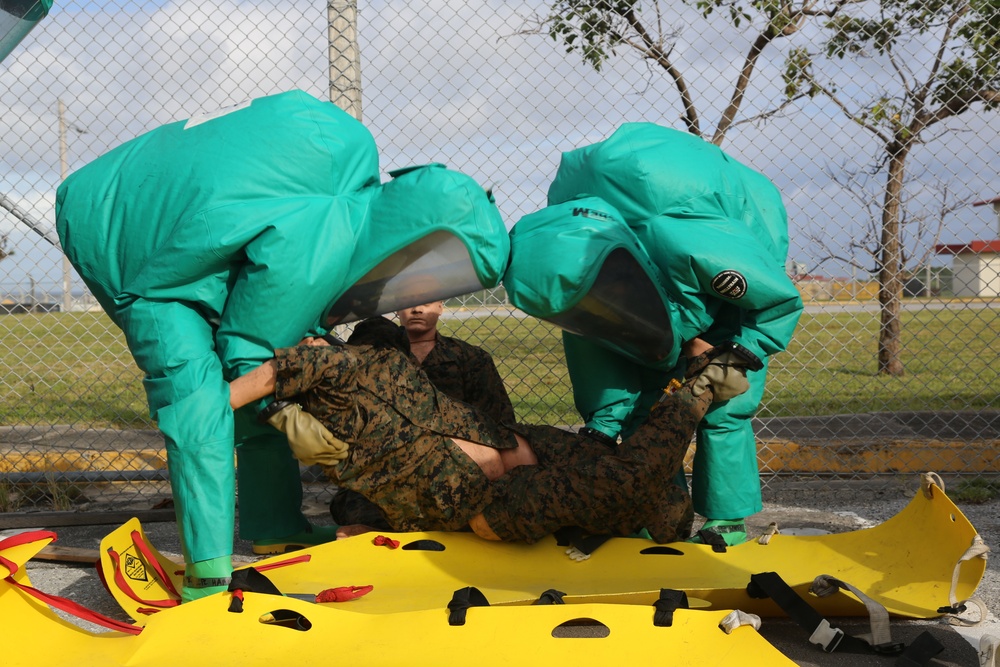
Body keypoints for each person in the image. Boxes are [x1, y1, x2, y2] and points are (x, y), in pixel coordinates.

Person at [55, 90, 510, 601]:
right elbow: (251, 356)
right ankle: (207, 579)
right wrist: (304, 425)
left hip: (160, 219)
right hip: (128, 243)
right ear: (415, 234)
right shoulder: (319, 244)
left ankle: (275, 525)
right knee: (200, 402)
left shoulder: (340, 197)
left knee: (261, 396)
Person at [504, 123, 804, 546]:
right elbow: (597, 352)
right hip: (651, 280)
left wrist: (741, 353)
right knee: (647, 408)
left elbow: (776, 301)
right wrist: (604, 423)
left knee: (722, 404)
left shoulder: (694, 245)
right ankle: (663, 513)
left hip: (722, 277)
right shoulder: (570, 286)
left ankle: (727, 518)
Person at [229, 316, 747, 544]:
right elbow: (247, 388)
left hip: (528, 446)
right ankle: (699, 390)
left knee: (632, 486)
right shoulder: (319, 376)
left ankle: (699, 389)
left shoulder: (380, 361)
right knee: (628, 483)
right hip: (497, 503)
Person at [330, 303, 516, 527]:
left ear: (441, 307)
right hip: (385, 475)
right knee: (363, 514)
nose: (417, 310)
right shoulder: (376, 358)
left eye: (426, 303)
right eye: (409, 303)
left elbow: (497, 425)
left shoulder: (470, 359)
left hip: (453, 471)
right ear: (397, 309)